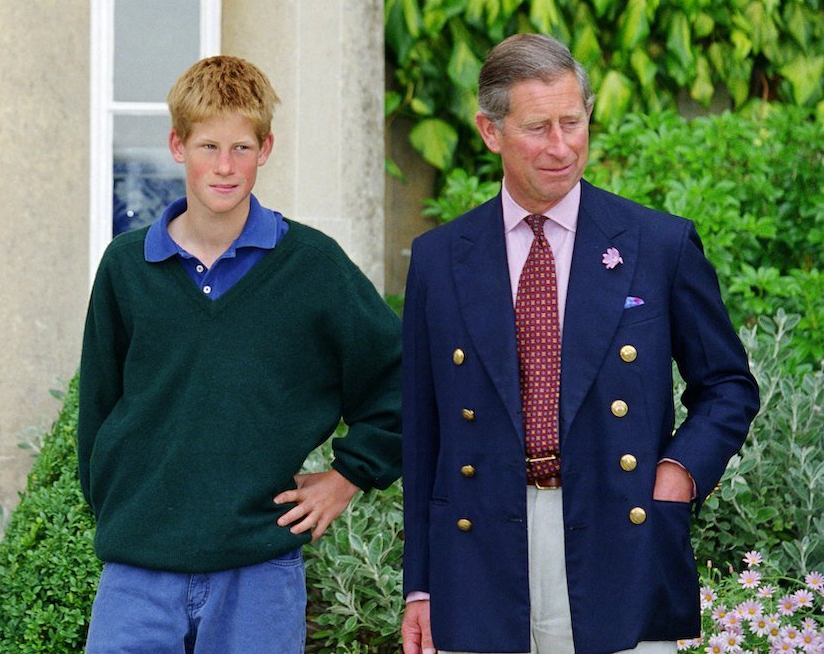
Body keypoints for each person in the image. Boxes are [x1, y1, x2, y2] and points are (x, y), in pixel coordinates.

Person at [399, 33, 760, 654]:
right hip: (480, 552)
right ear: (491, 131)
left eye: (574, 121)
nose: (561, 146)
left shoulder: (659, 244)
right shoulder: (439, 258)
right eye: (538, 127)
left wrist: (676, 474)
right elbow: (424, 430)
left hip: (623, 533)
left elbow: (727, 386)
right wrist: (421, 586)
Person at [77, 55, 403, 653]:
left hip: (259, 571)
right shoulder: (126, 267)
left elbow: (402, 376)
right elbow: (99, 406)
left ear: (266, 148)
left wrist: (350, 476)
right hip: (138, 571)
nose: (224, 167)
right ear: (177, 146)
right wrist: (122, 507)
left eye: (241, 148)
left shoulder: (313, 267)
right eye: (207, 147)